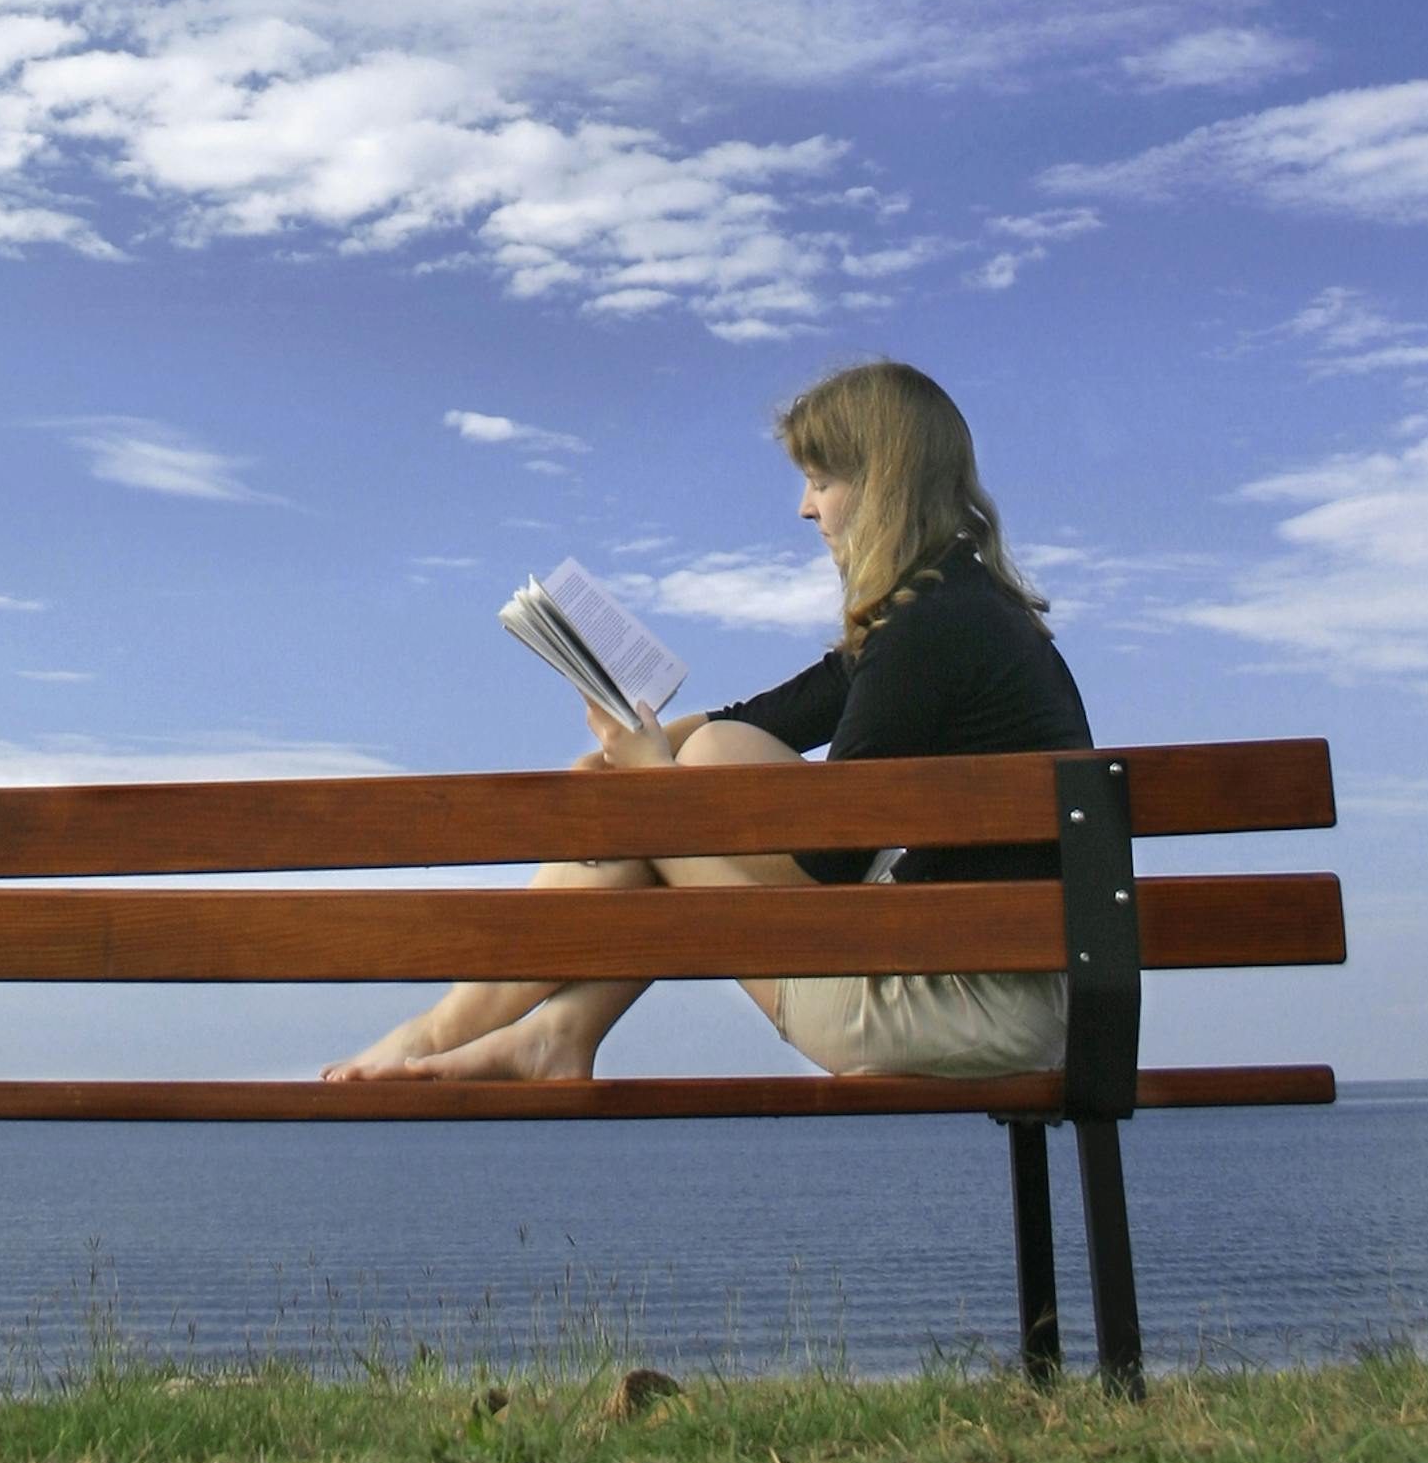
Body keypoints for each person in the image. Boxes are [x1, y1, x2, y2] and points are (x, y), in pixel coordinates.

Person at [324, 360, 1092, 1084]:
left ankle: (457, 1032)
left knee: (671, 799)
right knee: (709, 756)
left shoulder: (925, 633)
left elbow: (829, 864)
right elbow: (770, 720)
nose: (805, 507)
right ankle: (553, 1034)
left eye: (820, 481)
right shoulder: (950, 607)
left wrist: (653, 791)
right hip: (998, 984)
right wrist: (634, 757)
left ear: (882, 484)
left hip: (949, 1010)